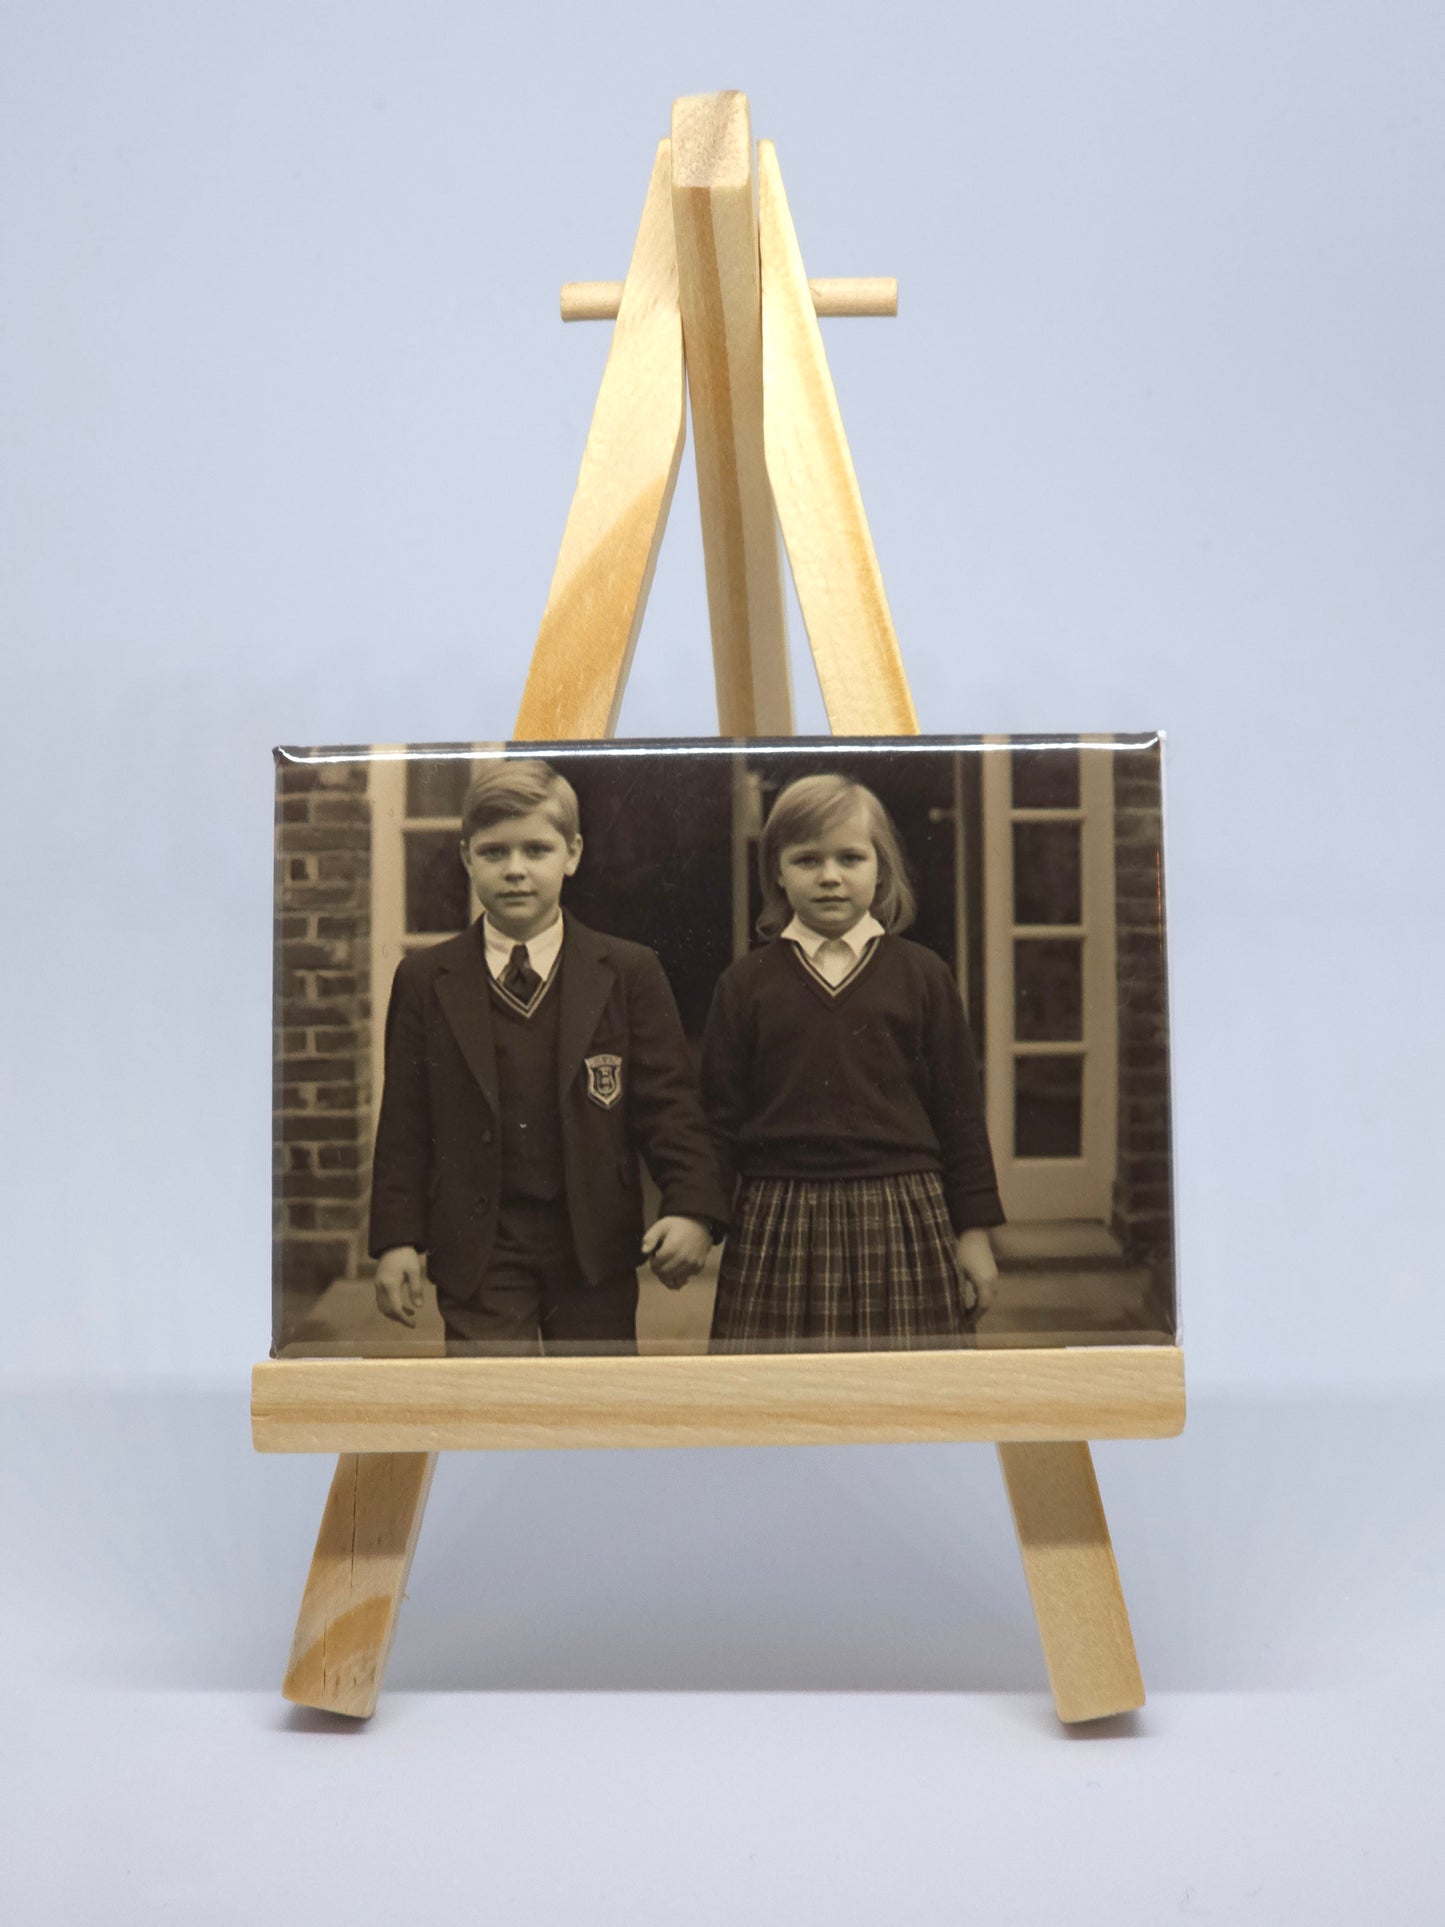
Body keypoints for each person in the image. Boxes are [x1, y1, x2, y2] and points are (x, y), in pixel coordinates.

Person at [369, 758, 728, 1354]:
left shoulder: (627, 972)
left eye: (536, 850)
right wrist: (397, 1239)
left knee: (592, 1414)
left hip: (592, 1245)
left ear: (573, 854)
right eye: (493, 853)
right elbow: (406, 1122)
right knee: (489, 1410)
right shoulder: (428, 979)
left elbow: (669, 1107)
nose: (515, 871)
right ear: (466, 858)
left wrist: (692, 1208)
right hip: (480, 1247)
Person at [701, 772, 1003, 1351]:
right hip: (778, 1219)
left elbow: (960, 1116)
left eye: (850, 857)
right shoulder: (746, 985)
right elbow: (716, 1121)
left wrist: (974, 1235)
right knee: (778, 1402)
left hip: (903, 1214)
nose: (831, 876)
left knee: (907, 1398)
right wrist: (699, 1218)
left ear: (880, 869)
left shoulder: (922, 976)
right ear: (778, 875)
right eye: (807, 859)